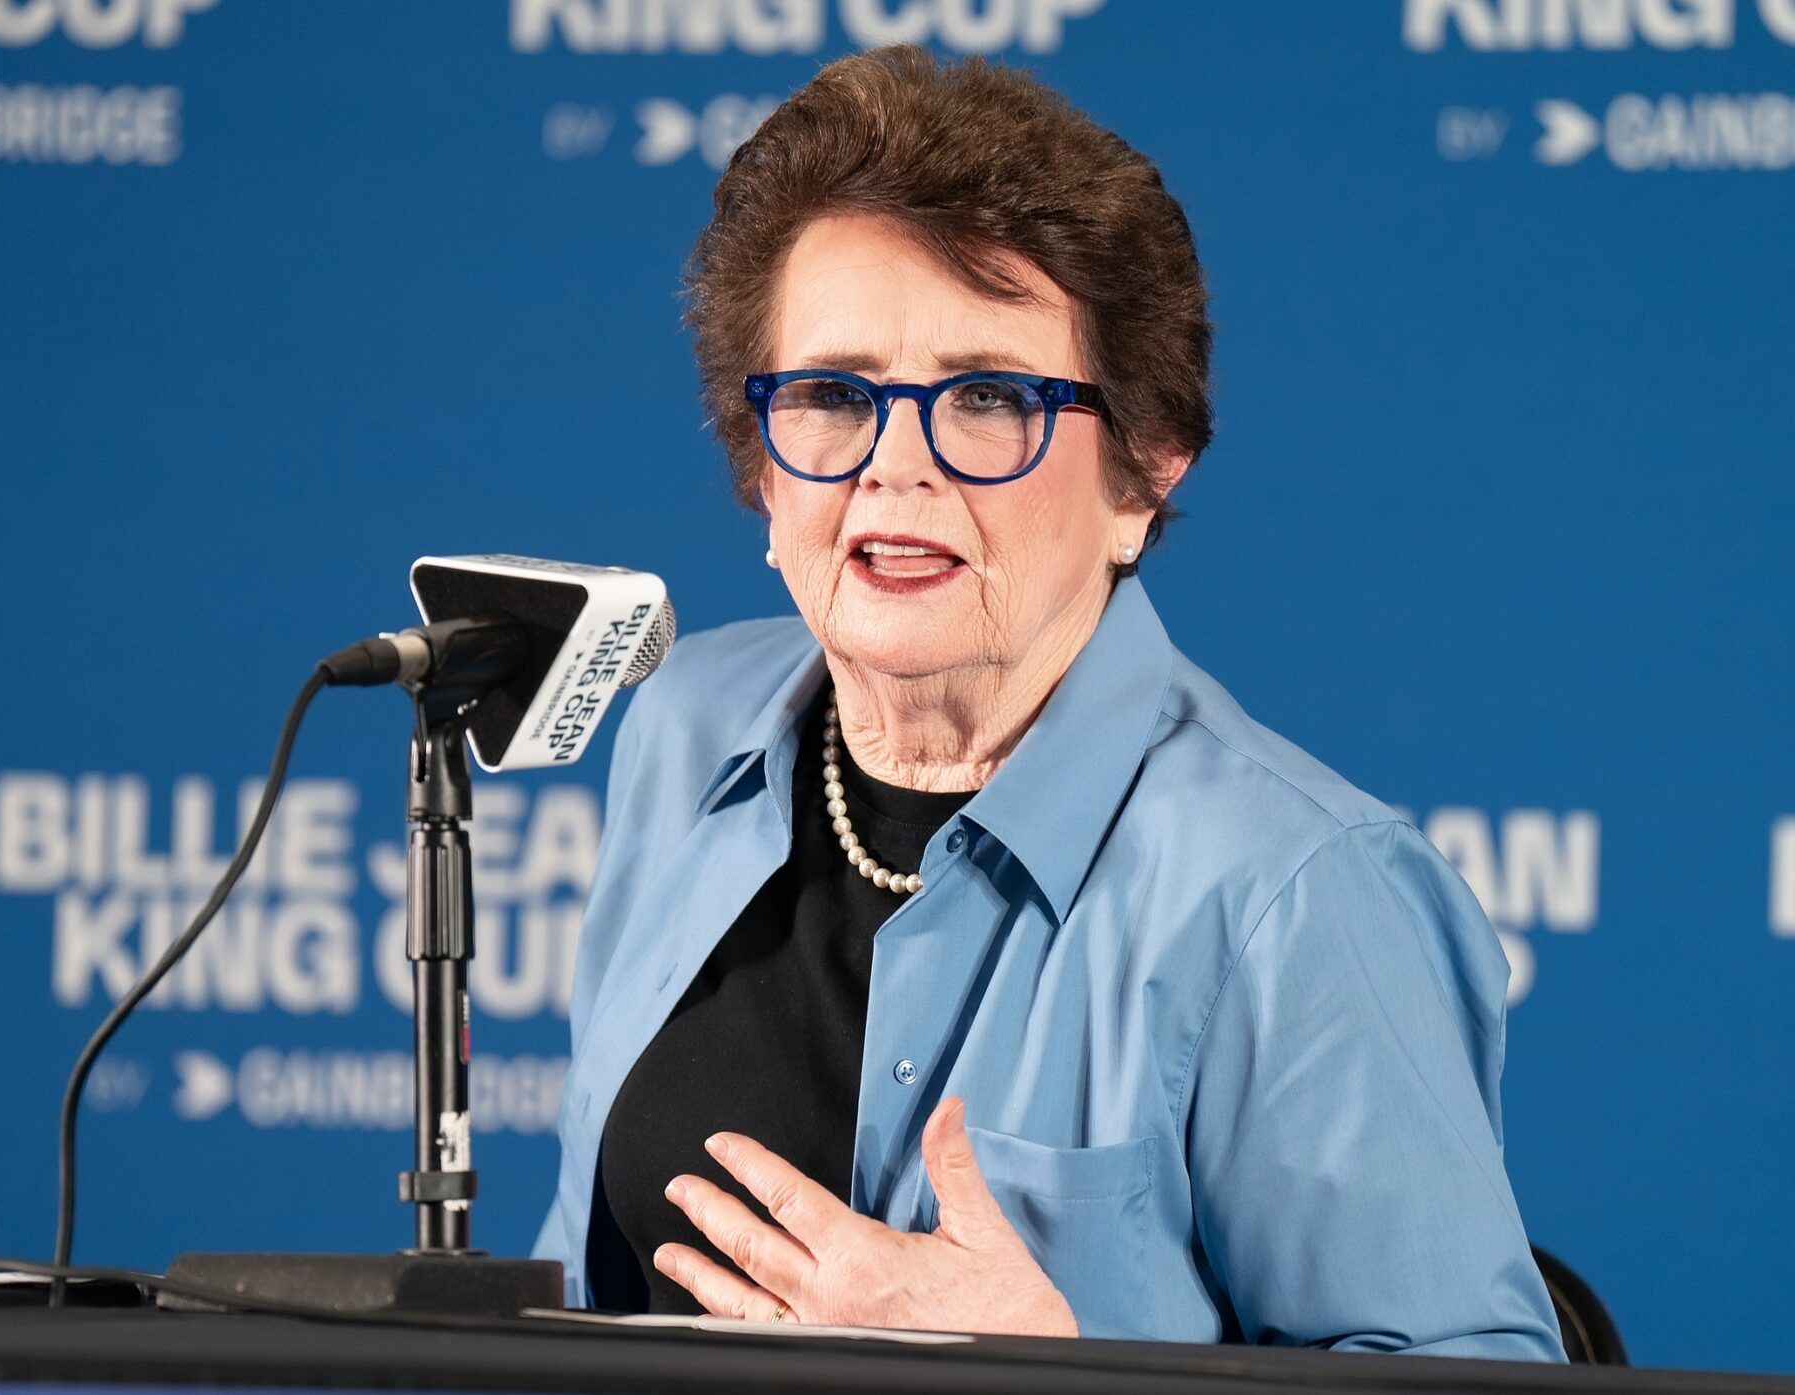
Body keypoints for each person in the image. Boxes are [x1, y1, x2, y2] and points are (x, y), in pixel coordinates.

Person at [532, 45, 1565, 1360]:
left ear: (1143, 469)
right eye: (835, 396)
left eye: (985, 399)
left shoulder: (1292, 889)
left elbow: (1475, 1383)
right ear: (761, 469)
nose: (895, 466)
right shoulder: (685, 730)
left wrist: (1068, 1366)